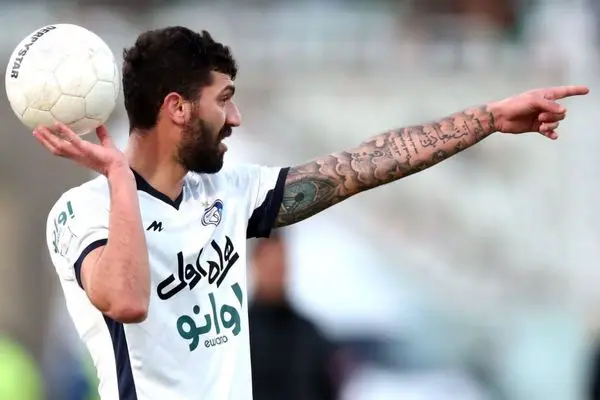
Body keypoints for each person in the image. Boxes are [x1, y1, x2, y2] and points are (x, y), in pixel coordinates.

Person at [37, 26, 587, 400]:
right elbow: (127, 300)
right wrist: (119, 178)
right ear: (177, 108)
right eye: (223, 99)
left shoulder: (231, 193)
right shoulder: (81, 212)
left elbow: (363, 165)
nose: (236, 117)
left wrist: (487, 118)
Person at [249, 233, 343, 400]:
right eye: (270, 265)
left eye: (280, 266)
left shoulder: (309, 336)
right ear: (255, 263)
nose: (276, 274)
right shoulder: (237, 335)